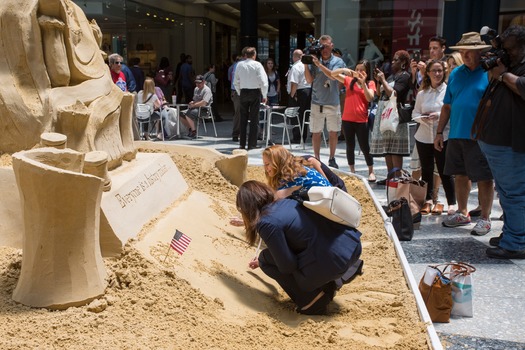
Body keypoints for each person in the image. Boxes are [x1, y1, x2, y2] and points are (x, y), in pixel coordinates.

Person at [236, 180, 363, 315]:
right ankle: (334, 279)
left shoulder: (266, 222)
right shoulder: (288, 201)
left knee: (265, 259)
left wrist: (268, 259)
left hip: (333, 263)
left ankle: (312, 300)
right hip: (352, 247)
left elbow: (287, 266)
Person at [471, 25, 525, 259]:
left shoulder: (513, 70)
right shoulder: (510, 63)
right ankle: (513, 233)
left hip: (509, 144)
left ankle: (516, 243)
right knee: (506, 192)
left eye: (510, 49)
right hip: (496, 141)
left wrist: (502, 74)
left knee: (514, 194)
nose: (506, 53)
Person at [434, 32, 494, 236]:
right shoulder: (457, 73)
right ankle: (462, 212)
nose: (465, 54)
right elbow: (447, 106)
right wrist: (439, 132)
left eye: (469, 51)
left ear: (479, 53)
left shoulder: (489, 72)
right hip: (457, 133)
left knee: (485, 177)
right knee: (460, 174)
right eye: (462, 51)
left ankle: (485, 218)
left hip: (480, 135)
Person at [412, 60, 456, 216]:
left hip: (443, 135)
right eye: (434, 71)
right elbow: (414, 114)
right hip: (423, 136)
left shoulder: (448, 90)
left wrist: (438, 115)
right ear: (428, 73)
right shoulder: (423, 94)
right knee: (427, 169)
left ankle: (451, 202)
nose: (438, 74)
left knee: (445, 170)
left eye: (440, 71)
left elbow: (452, 112)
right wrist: (422, 118)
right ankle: (428, 200)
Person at [304, 34, 346, 168]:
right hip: (317, 102)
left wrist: (319, 64)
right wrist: (306, 64)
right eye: (322, 47)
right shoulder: (315, 60)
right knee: (316, 132)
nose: (324, 50)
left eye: (327, 47)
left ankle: (332, 157)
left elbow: (333, 77)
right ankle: (316, 158)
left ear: (332, 46)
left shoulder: (337, 61)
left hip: (332, 102)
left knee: (333, 132)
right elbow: (309, 80)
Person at [330, 59, 377, 182]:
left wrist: (363, 83)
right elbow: (332, 74)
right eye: (357, 69)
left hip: (361, 120)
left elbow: (370, 98)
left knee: (365, 146)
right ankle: (352, 171)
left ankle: (371, 171)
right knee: (350, 146)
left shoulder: (370, 83)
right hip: (347, 119)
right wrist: (345, 70)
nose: (359, 72)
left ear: (367, 72)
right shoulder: (349, 80)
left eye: (362, 70)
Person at [370, 50, 412, 180]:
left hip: (394, 113)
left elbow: (393, 94)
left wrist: (383, 79)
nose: (392, 62)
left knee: (395, 148)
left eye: (396, 60)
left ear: (403, 62)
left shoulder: (405, 76)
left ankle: (398, 178)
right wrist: (379, 80)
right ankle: (390, 177)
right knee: (387, 148)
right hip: (384, 112)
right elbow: (379, 93)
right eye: (392, 60)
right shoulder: (391, 77)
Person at [262, 145, 332, 199]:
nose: (265, 168)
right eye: (264, 164)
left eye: (267, 164)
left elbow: (275, 197)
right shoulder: (297, 167)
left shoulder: (294, 175)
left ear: (278, 163)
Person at [234, 47, 268, 150]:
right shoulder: (257, 65)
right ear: (254, 55)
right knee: (254, 119)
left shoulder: (239, 65)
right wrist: (264, 95)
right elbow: (263, 81)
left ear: (245, 55)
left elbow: (236, 81)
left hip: (244, 92)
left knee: (243, 119)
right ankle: (252, 144)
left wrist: (240, 92)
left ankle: (242, 144)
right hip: (254, 92)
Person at [287, 49, 311, 144]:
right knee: (304, 115)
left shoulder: (296, 66)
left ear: (294, 56)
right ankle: (303, 136)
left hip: (299, 92)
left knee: (295, 115)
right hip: (308, 91)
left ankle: (297, 137)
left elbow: (294, 82)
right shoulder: (306, 66)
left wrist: (292, 95)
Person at [179, 75, 213, 139]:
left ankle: (194, 132)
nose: (197, 84)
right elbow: (195, 100)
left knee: (188, 113)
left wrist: (194, 105)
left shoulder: (207, 90)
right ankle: (191, 129)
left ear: (203, 82)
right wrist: (192, 102)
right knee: (181, 114)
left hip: (204, 110)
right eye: (196, 82)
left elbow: (204, 103)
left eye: (199, 82)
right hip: (196, 108)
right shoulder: (196, 89)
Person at [228, 54, 242, 142]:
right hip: (238, 92)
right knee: (238, 113)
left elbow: (229, 79)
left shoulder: (232, 67)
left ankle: (239, 133)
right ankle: (236, 133)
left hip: (236, 91)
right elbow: (234, 81)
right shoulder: (239, 66)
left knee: (238, 113)